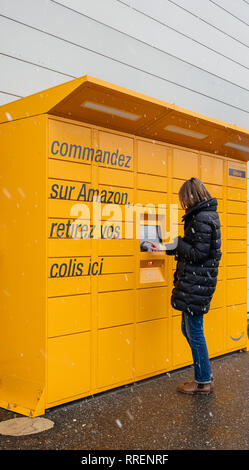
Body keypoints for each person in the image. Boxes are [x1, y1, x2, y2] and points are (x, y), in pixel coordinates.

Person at [148, 177, 222, 395]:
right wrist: (165, 246)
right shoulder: (204, 215)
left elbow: (198, 253)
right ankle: (204, 376)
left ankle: (203, 382)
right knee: (188, 329)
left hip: (197, 284)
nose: (183, 204)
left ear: (191, 196)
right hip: (197, 282)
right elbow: (193, 248)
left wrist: (174, 243)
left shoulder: (201, 217)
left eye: (184, 199)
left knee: (195, 331)